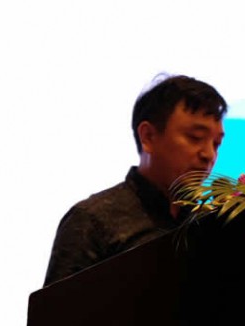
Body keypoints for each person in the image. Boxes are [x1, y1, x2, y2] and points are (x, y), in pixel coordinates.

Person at [44, 73, 228, 287]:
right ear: (148, 136)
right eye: (195, 137)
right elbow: (58, 309)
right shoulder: (93, 220)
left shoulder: (208, 223)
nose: (209, 155)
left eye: (216, 144)